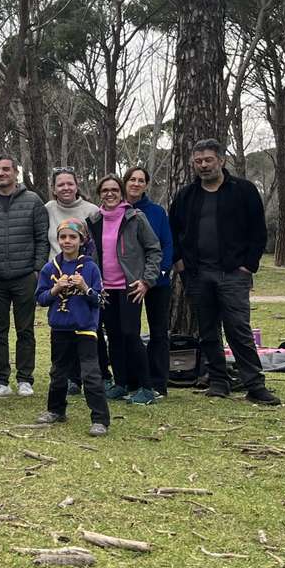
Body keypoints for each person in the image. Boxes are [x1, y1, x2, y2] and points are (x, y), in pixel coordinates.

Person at [168, 139, 279, 405]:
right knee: (207, 331)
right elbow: (173, 232)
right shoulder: (186, 196)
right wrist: (180, 263)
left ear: (221, 160)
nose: (203, 165)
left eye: (208, 159)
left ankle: (254, 385)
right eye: (198, 161)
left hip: (233, 274)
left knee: (238, 329)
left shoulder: (243, 191)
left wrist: (247, 266)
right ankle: (218, 381)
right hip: (197, 274)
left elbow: (258, 232)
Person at [0, 155, 49, 397]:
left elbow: (42, 238)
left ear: (15, 172)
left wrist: (38, 269)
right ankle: (1, 380)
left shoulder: (33, 201)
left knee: (25, 329)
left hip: (24, 276)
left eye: (6, 169)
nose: (1, 173)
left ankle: (25, 379)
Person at [86, 175, 162, 406]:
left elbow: (154, 250)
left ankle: (147, 388)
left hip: (130, 287)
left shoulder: (136, 218)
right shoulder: (93, 220)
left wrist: (146, 280)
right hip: (105, 289)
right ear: (100, 193)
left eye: (114, 190)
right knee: (114, 337)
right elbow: (91, 254)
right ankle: (120, 383)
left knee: (131, 334)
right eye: (105, 190)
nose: (110, 194)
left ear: (121, 193)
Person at [34, 219, 109, 436]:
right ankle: (55, 410)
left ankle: (100, 419)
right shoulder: (50, 268)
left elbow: (100, 301)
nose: (67, 241)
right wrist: (56, 288)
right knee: (58, 372)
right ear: (58, 240)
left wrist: (85, 288)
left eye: (72, 237)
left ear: (82, 240)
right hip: (60, 328)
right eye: (63, 237)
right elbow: (41, 299)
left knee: (90, 374)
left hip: (85, 329)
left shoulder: (90, 267)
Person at [124, 165, 174, 397]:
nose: (136, 184)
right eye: (132, 179)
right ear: (125, 182)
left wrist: (157, 275)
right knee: (129, 332)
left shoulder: (156, 212)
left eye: (140, 180)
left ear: (146, 185)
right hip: (127, 282)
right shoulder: (117, 210)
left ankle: (158, 382)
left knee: (158, 332)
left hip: (156, 283)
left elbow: (166, 244)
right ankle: (132, 380)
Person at [45, 168, 98, 256]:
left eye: (70, 184)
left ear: (76, 187)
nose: (66, 188)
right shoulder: (48, 209)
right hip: (53, 268)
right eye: (60, 185)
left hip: (82, 267)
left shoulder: (92, 211)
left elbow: (97, 245)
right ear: (53, 189)